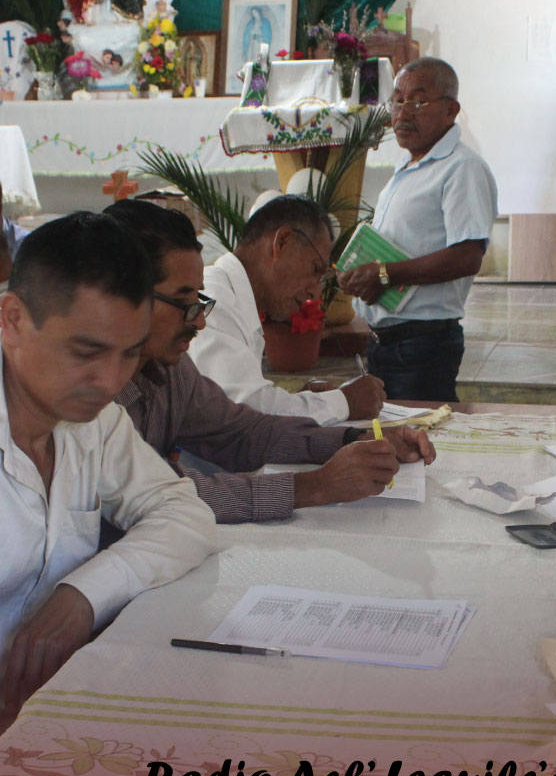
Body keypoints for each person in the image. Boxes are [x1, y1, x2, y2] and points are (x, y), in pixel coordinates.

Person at [0, 212, 216, 713]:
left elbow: (184, 514)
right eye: (86, 352)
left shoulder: (94, 422)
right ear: (12, 320)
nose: (110, 381)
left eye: (129, 354)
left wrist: (82, 596)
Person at [106, 200, 435, 522]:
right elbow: (167, 494)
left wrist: (354, 439)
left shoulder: (170, 370)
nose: (200, 321)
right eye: (183, 302)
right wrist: (317, 486)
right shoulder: (97, 398)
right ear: (126, 298)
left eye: (199, 300)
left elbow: (240, 431)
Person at [338, 57, 497, 401]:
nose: (402, 113)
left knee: (420, 431)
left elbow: (467, 257)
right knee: (390, 430)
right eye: (397, 101)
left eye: (418, 102)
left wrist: (383, 274)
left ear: (451, 110)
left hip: (422, 345)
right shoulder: (409, 164)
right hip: (386, 342)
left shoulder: (461, 168)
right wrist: (360, 274)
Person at [189, 195, 384, 424]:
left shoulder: (233, 298)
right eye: (315, 269)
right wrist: (344, 402)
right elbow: (245, 413)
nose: (315, 293)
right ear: (282, 242)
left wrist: (301, 400)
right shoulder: (214, 299)